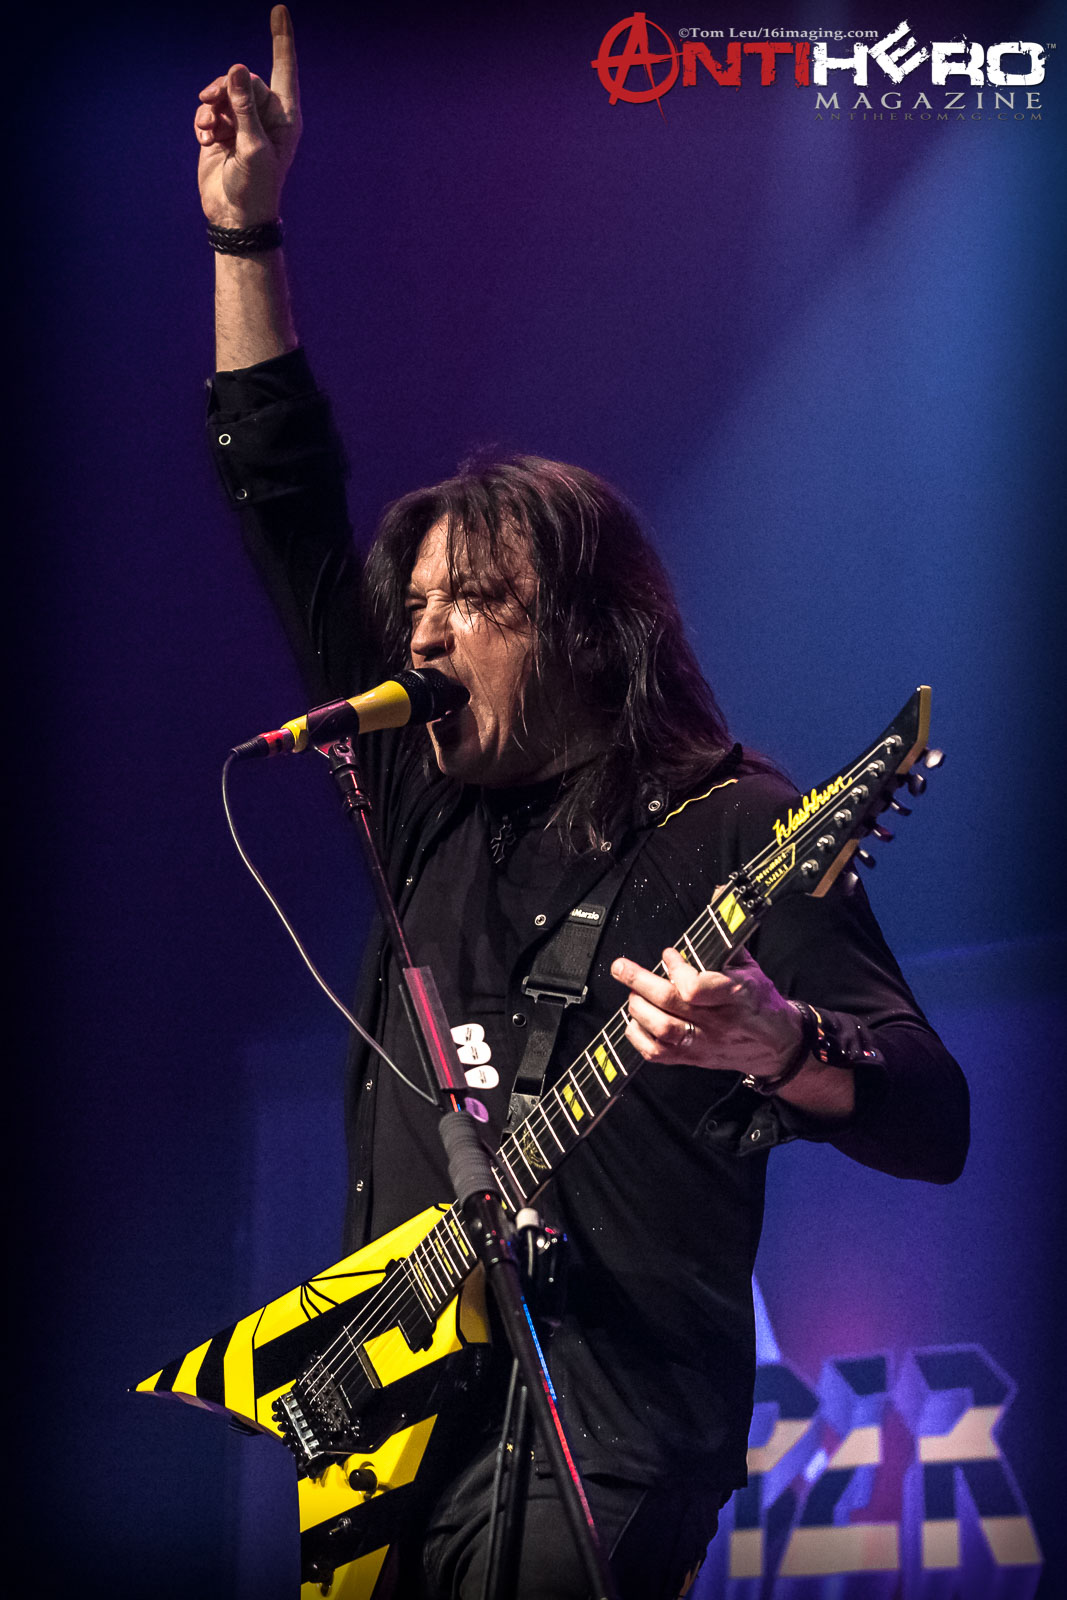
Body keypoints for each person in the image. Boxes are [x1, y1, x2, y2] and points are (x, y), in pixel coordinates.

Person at [194, 10, 969, 1598]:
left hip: (599, 1438)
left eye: (472, 601)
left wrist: (787, 1048)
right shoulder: (418, 797)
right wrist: (246, 233)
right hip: (398, 1429)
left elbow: (933, 1114)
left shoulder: (732, 827)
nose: (422, 638)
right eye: (415, 605)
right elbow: (283, 497)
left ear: (585, 637)